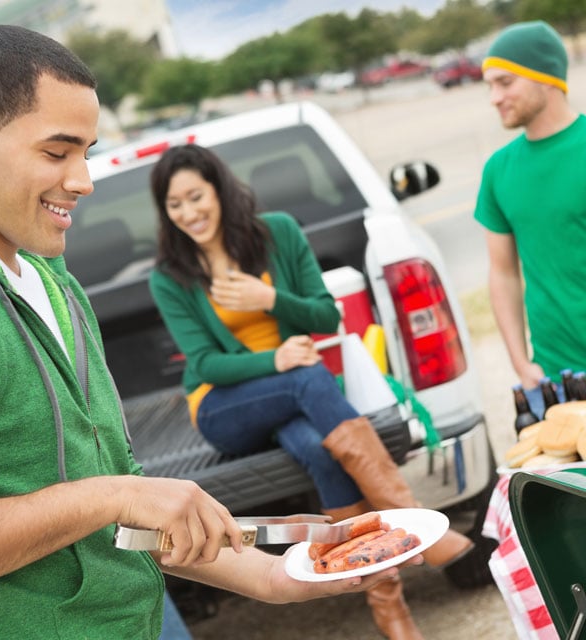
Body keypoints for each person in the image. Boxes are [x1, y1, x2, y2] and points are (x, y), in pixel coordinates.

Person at [0, 24, 420, 639]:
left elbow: (129, 501)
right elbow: (112, 497)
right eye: (56, 152)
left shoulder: (54, 281)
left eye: (86, 152)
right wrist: (109, 496)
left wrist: (273, 579)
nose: (84, 180)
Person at [148, 143, 474, 640]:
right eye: (176, 205)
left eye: (196, 196)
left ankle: (389, 607)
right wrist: (274, 360)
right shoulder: (171, 276)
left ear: (218, 189)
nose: (189, 213)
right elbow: (206, 362)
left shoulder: (276, 233)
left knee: (319, 451)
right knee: (307, 378)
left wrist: (269, 298)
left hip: (293, 394)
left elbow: (326, 315)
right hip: (223, 406)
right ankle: (416, 523)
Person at [474, 20, 585, 420]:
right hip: (557, 378)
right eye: (489, 86)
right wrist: (522, 364)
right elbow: (503, 273)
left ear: (546, 78)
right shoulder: (498, 171)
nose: (494, 97)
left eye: (505, 83)